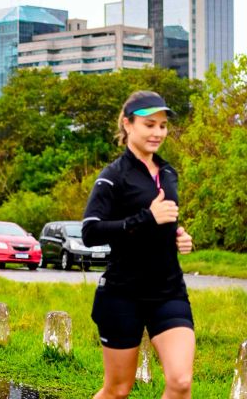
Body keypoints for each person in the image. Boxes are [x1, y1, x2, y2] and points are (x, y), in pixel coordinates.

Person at [82, 91, 195, 399]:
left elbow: (163, 221)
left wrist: (176, 234)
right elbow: (90, 232)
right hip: (122, 293)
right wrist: (146, 218)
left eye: (162, 125)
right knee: (118, 390)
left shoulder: (168, 172)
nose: (158, 132)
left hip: (168, 290)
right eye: (149, 125)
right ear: (128, 125)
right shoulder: (112, 177)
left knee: (181, 381)